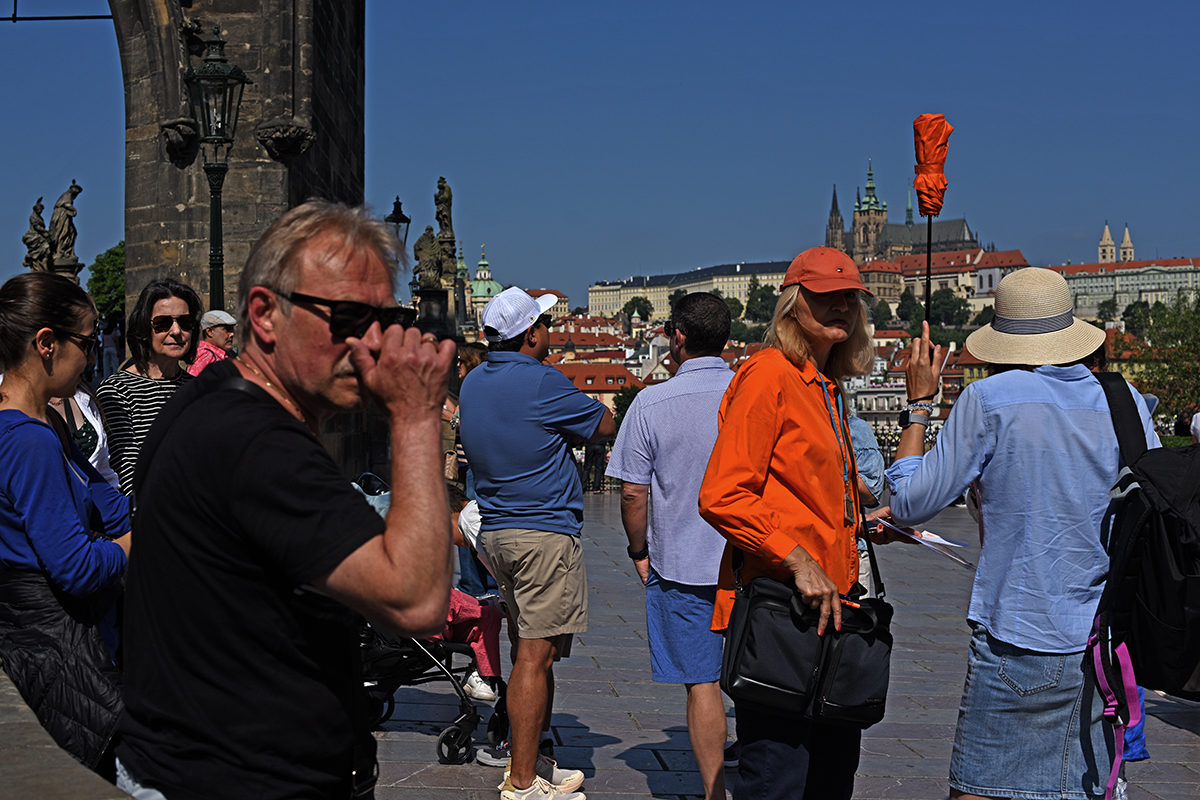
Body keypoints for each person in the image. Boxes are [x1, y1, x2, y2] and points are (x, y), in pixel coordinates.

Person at [113, 201, 456, 800]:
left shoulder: (211, 402)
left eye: (384, 319)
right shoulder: (256, 441)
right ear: (265, 314)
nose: (372, 343)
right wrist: (418, 414)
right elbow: (417, 599)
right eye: (348, 316)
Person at [886, 267, 1160, 800]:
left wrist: (918, 407)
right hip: (1104, 641)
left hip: (1020, 632)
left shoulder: (991, 398)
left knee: (977, 791)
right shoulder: (1124, 400)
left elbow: (911, 503)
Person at [698, 246, 881, 800]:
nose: (841, 308)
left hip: (834, 611)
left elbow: (809, 495)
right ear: (792, 306)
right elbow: (722, 494)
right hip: (783, 612)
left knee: (830, 780)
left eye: (850, 298)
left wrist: (863, 523)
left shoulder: (826, 386)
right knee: (778, 781)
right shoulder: (769, 375)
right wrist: (797, 558)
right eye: (826, 297)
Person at [459, 286, 616, 800]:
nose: (549, 331)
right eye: (544, 324)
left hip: (497, 532)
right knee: (534, 655)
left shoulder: (473, 383)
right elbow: (603, 424)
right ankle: (522, 782)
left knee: (529, 645)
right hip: (543, 533)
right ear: (531, 334)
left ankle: (537, 763)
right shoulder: (543, 381)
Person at [0, 273, 131, 775]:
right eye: (89, 340)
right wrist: (137, 543)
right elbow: (74, 566)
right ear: (47, 343)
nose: (95, 354)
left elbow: (104, 500)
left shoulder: (48, 423)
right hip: (55, 659)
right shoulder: (26, 440)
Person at [606, 292, 734, 800]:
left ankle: (713, 792)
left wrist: (640, 550)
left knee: (702, 682)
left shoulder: (652, 402)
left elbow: (634, 491)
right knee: (760, 676)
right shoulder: (752, 393)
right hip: (755, 561)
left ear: (677, 337)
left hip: (682, 563)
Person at [97, 278, 200, 494]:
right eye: (163, 323)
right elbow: (128, 475)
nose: (176, 331)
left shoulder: (199, 389)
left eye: (185, 322)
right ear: (144, 330)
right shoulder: (116, 392)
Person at [186, 309, 236, 376]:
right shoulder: (206, 356)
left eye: (232, 330)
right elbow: (194, 384)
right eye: (227, 330)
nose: (232, 334)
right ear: (210, 331)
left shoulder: (221, 355)